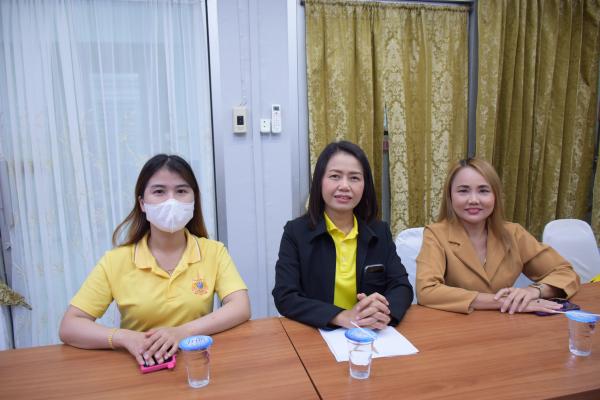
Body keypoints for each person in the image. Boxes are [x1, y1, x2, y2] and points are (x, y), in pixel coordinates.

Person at [59, 154, 250, 366]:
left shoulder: (214, 251)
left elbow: (240, 307)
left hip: (195, 364)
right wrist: (124, 338)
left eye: (181, 191)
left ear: (194, 200)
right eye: (159, 191)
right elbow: (70, 326)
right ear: (142, 203)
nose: (171, 201)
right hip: (142, 365)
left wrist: (182, 332)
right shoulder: (115, 261)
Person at [272, 141, 413, 329]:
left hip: (370, 332)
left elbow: (401, 286)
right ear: (319, 181)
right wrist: (341, 316)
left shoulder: (380, 231)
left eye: (354, 178)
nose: (344, 186)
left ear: (365, 185)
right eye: (335, 176)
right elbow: (285, 296)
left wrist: (384, 312)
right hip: (317, 332)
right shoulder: (296, 232)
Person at [416, 157, 580, 314]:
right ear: (450, 196)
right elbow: (427, 291)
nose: (474, 200)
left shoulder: (514, 233)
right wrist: (503, 301)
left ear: (495, 196)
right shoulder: (435, 234)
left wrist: (535, 291)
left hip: (507, 322)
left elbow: (565, 273)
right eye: (463, 191)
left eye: (483, 191)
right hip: (457, 323)